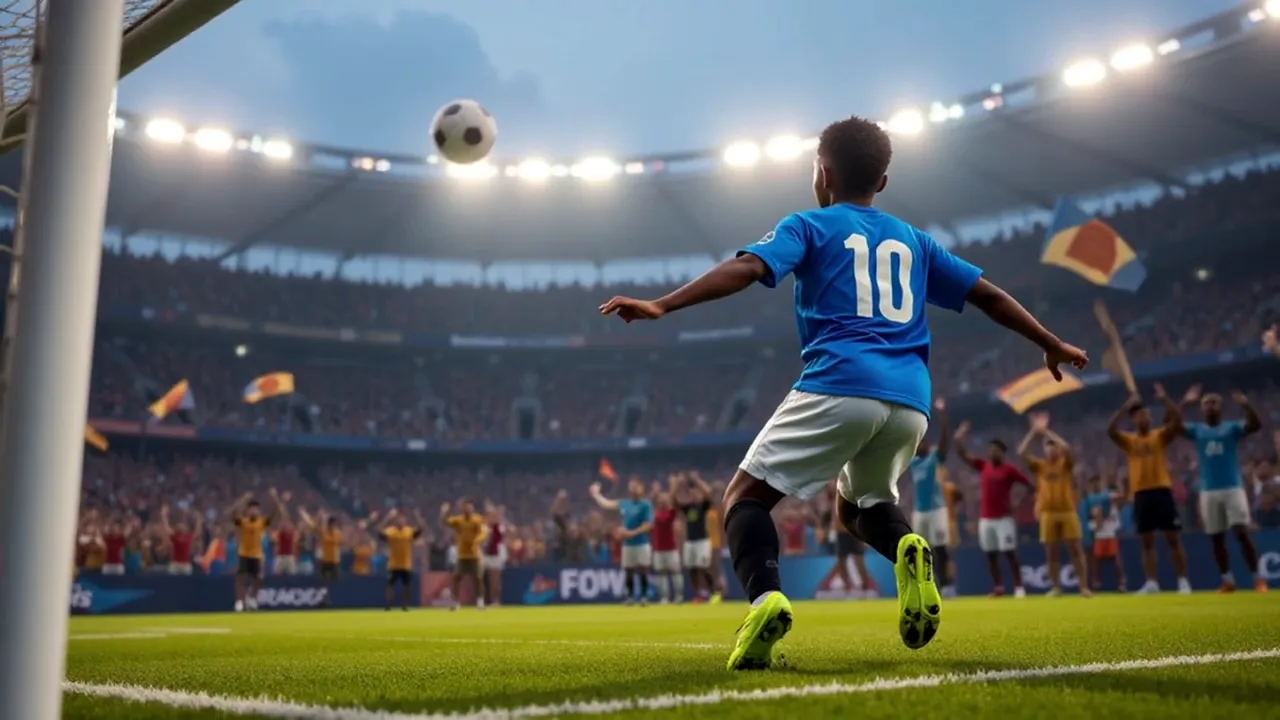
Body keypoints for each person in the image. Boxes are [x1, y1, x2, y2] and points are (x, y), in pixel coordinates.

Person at [598, 115, 1087, 669]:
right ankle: (906, 547)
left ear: (823, 174)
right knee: (858, 507)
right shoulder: (916, 241)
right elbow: (990, 296)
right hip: (910, 402)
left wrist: (664, 304)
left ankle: (765, 599)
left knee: (744, 498)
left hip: (838, 382)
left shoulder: (809, 225)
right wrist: (1049, 343)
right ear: (882, 181)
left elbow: (748, 268)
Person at [1177, 385, 1266, 593]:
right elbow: (1172, 425)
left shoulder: (1232, 428)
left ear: (1221, 407)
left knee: (1241, 533)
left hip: (1233, 488)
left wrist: (1246, 405)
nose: (1210, 406)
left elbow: (1256, 425)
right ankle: (1228, 581)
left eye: (1214, 403)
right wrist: (1185, 403)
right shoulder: (1197, 430)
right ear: (1201, 409)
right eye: (1206, 403)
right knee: (1216, 538)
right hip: (1208, 491)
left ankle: (1257, 579)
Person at [1106, 385, 1192, 594]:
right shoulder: (1129, 440)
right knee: (1146, 541)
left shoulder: (1159, 436)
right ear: (1133, 420)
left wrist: (1165, 400)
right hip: (1141, 493)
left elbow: (1177, 423)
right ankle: (1152, 582)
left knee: (1173, 538)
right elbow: (1110, 430)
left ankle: (1182, 581)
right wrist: (1126, 406)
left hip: (1162, 491)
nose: (1143, 418)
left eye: (1146, 415)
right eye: (1138, 416)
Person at [955, 424, 1032, 598]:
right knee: (991, 555)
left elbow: (1030, 486)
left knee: (1009, 553)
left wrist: (1018, 503)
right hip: (986, 519)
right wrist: (959, 438)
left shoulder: (1009, 470)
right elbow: (962, 454)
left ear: (1002, 453)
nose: (992, 453)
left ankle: (1019, 587)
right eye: (990, 450)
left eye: (995, 450)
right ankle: (998, 587)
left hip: (1004, 518)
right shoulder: (984, 466)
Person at [1018, 412, 1090, 597]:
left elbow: (1067, 448)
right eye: (1047, 447)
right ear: (1044, 451)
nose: (1051, 450)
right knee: (1051, 552)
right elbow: (1022, 452)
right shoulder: (1040, 466)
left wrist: (1047, 432)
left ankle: (1083, 587)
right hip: (1048, 513)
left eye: (1053, 447)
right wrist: (1034, 432)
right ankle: (1057, 587)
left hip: (1067, 511)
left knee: (1075, 549)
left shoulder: (1065, 465)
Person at [907, 397, 953, 596]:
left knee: (940, 548)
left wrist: (942, 416)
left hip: (937, 509)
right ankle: (928, 584)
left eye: (922, 442)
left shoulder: (934, 457)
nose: (920, 445)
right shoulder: (912, 463)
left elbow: (944, 441)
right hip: (920, 511)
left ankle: (945, 585)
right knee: (921, 550)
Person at [589, 479, 654, 605]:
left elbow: (648, 525)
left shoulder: (646, 504)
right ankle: (629, 597)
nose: (634, 489)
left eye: (636, 486)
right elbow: (607, 504)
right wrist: (596, 495)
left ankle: (644, 596)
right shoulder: (625, 503)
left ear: (642, 489)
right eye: (632, 486)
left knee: (643, 570)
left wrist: (630, 533)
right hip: (628, 544)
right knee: (628, 570)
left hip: (641, 543)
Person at [229, 491, 277, 612]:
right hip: (244, 553)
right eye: (251, 509)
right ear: (248, 510)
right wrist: (243, 499)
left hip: (257, 554)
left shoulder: (261, 522)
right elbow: (232, 513)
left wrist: (274, 497)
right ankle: (239, 601)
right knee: (240, 578)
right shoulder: (243, 522)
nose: (254, 511)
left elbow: (276, 513)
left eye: (256, 509)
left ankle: (252, 599)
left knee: (258, 578)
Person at [672, 471, 714, 602]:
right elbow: (674, 501)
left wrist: (698, 481)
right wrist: (677, 486)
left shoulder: (703, 506)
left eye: (696, 492)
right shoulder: (687, 507)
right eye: (691, 492)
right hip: (690, 542)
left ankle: (713, 593)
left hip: (702, 540)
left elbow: (708, 494)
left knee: (704, 568)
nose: (693, 494)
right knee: (692, 569)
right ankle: (698, 594)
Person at [440, 499, 487, 611]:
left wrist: (477, 541)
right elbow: (444, 522)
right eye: (465, 507)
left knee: (478, 578)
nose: (467, 509)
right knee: (456, 578)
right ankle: (455, 603)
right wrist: (444, 512)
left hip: (474, 554)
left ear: (472, 508)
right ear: (462, 508)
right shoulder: (458, 520)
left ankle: (480, 602)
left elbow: (483, 532)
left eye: (469, 507)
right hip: (462, 554)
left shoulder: (477, 520)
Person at [1083, 474, 1126, 592]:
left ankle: (1121, 583)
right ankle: (1097, 583)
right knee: (1096, 560)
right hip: (1098, 532)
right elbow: (1089, 515)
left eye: (1097, 481)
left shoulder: (1107, 494)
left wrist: (1120, 485)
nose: (1095, 484)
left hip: (1110, 530)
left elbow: (1121, 498)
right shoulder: (1089, 498)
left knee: (1114, 559)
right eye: (1092, 482)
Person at [377, 508, 424, 611]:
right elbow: (379, 530)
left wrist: (417, 516)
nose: (401, 521)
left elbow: (421, 529)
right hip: (393, 564)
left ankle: (405, 605)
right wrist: (387, 518)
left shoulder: (408, 531)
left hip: (406, 563)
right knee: (390, 585)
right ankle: (388, 604)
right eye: (399, 519)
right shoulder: (390, 531)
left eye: (403, 519)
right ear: (395, 521)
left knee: (406, 586)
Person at [300, 508, 342, 607]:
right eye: (331, 524)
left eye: (334, 524)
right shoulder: (324, 532)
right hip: (325, 561)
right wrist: (304, 515)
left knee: (334, 581)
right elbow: (312, 525)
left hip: (335, 561)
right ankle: (325, 600)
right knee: (323, 582)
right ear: (328, 524)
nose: (333, 526)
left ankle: (331, 599)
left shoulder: (338, 534)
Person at [650, 491, 684, 604]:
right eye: (661, 499)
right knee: (661, 573)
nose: (662, 501)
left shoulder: (671, 513)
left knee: (675, 572)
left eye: (664, 499)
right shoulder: (655, 514)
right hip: (658, 549)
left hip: (671, 548)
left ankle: (678, 596)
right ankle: (664, 597)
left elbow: (676, 506)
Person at [158, 504, 201, 576]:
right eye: (179, 525)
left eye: (182, 525)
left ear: (186, 528)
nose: (181, 526)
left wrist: (199, 520)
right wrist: (163, 516)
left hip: (185, 564)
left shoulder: (188, 536)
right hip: (175, 564)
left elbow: (197, 532)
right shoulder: (174, 536)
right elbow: (166, 528)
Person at [481, 505, 508, 607]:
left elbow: (502, 536)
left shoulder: (499, 527)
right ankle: (482, 600)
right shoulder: (481, 527)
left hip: (494, 555)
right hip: (483, 554)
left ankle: (495, 601)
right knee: (481, 579)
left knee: (495, 580)